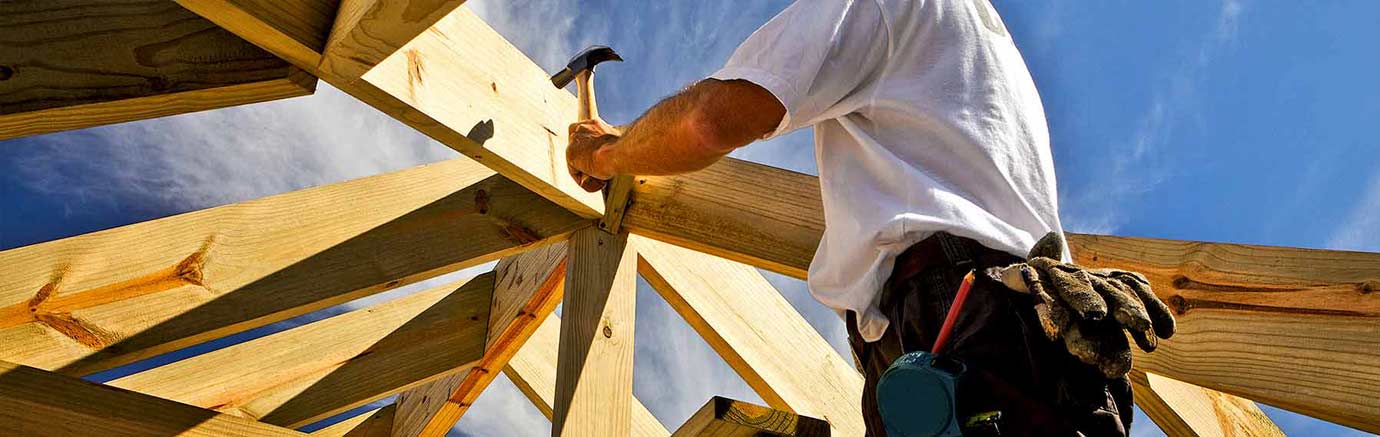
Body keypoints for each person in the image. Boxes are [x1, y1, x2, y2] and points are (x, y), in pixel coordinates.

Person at [565, 1, 1174, 435]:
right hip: (1023, 341)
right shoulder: (981, 44)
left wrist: (608, 151)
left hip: (955, 323)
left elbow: (712, 118)